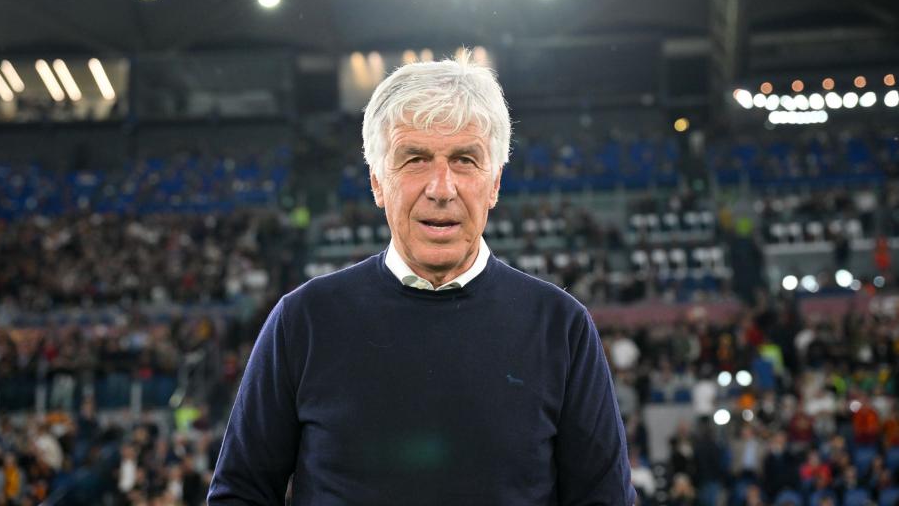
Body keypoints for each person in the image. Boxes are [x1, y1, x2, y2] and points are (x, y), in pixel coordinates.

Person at [208, 58, 635, 505]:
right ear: (376, 181)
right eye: (415, 159)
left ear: (494, 184)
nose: (441, 187)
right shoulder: (304, 321)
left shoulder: (560, 327)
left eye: (465, 160)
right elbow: (241, 493)